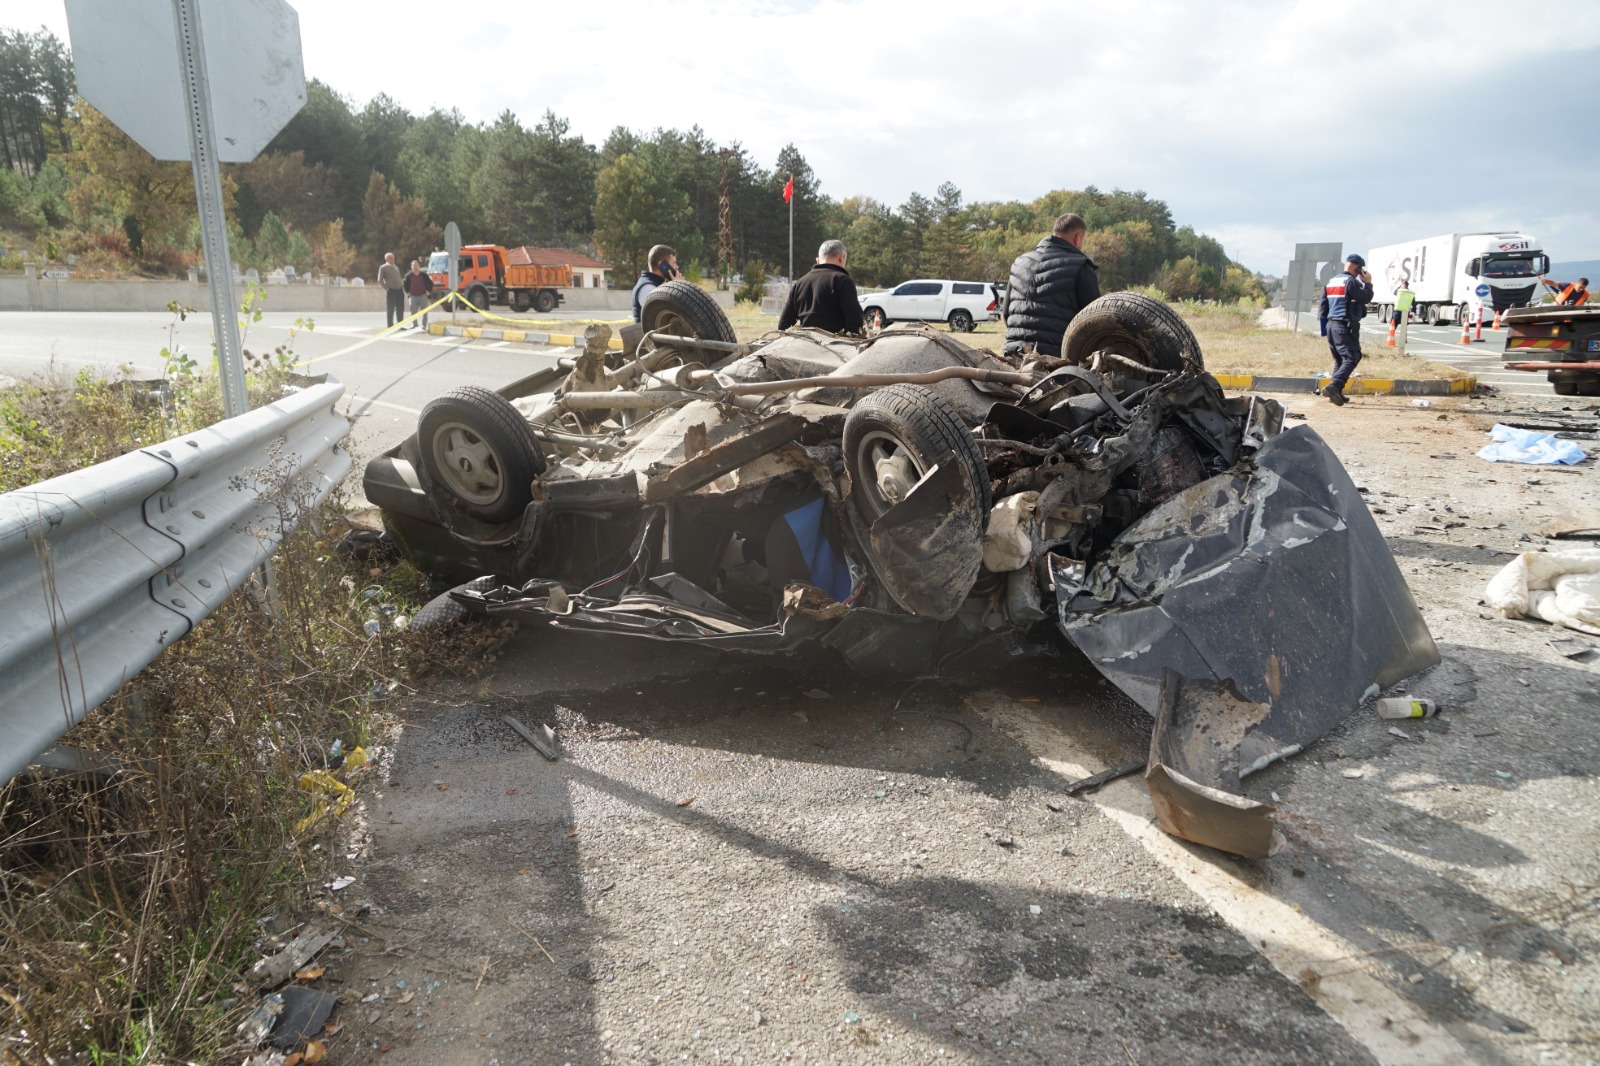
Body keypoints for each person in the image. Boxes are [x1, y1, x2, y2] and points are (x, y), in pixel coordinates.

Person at [1002, 213, 1101, 358]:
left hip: (1014, 355)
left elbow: (1006, 314)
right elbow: (1093, 322)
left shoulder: (1019, 263)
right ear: (1078, 238)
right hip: (1057, 362)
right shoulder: (1080, 266)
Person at [1317, 253, 1374, 406]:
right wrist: (1368, 283)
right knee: (1352, 357)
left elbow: (1323, 307)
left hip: (1331, 325)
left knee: (1340, 359)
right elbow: (1365, 298)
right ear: (1358, 267)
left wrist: (1325, 330)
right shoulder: (1351, 282)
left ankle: (1336, 393)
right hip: (1345, 325)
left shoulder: (1331, 282)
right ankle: (1334, 386)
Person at [778, 240, 865, 334]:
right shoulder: (843, 281)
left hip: (805, 342)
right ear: (842, 257)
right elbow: (855, 322)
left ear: (818, 260)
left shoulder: (799, 283)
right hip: (834, 345)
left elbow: (783, 325)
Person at [632, 244, 680, 323]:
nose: (677, 267)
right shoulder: (646, 287)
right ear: (662, 265)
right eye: (674, 263)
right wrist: (677, 289)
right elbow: (665, 316)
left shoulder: (659, 284)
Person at [403, 259, 434, 330]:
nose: (415, 267)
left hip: (423, 295)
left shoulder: (424, 275)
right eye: (414, 265)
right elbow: (405, 284)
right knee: (413, 311)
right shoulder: (408, 276)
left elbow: (431, 283)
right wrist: (407, 292)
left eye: (416, 265)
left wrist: (428, 291)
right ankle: (415, 324)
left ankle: (424, 325)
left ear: (419, 266)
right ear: (411, 267)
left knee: (424, 311)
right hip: (413, 296)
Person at [378, 252, 404, 329]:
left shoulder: (396, 267)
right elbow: (380, 280)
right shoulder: (383, 267)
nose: (393, 259)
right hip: (391, 291)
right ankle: (390, 325)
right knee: (390, 308)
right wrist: (386, 287)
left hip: (399, 290)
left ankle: (400, 324)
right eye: (390, 258)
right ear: (386, 259)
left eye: (393, 257)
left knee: (400, 308)